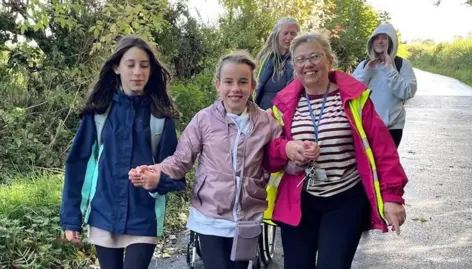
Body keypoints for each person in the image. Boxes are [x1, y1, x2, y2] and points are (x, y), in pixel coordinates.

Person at [129, 51, 318, 269]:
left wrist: (301, 158)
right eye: (228, 82)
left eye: (243, 82)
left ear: (253, 86)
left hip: (248, 218)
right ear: (218, 85)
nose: (235, 88)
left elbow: (283, 163)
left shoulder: (268, 123)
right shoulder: (203, 120)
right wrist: (155, 170)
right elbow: (181, 160)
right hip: (209, 217)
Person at [266, 32, 408, 269]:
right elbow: (266, 151)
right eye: (300, 59)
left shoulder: (354, 98)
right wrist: (286, 148)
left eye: (314, 56)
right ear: (294, 66)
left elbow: (383, 151)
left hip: (344, 201)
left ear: (329, 60)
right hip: (298, 201)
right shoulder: (283, 104)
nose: (307, 64)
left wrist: (392, 197)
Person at [60, 35, 186, 269]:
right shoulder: (98, 113)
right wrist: (71, 219)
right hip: (103, 212)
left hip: (144, 215)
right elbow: (77, 164)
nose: (137, 71)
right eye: (131, 64)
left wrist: (156, 180)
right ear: (117, 67)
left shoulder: (160, 117)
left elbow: (177, 172)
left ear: (151, 70)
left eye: (144, 65)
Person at [352, 23, 417, 148]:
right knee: (366, 165)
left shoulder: (402, 64)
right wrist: (367, 74)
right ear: (372, 42)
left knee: (386, 166)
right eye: (377, 38)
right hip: (366, 127)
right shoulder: (364, 65)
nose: (380, 41)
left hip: (392, 127)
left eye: (385, 38)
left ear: (392, 42)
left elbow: (408, 92)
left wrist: (389, 70)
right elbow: (353, 93)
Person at [254, 17, 300, 110]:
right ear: (277, 35)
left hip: (288, 115)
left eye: (293, 34)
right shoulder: (265, 58)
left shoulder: (301, 60)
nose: (289, 37)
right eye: (285, 33)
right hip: (262, 115)